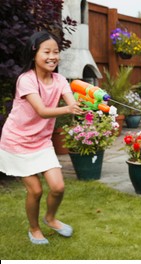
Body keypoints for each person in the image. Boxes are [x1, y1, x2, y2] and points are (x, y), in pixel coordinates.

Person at [0, 31, 84, 245]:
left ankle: (50, 218)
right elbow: (42, 111)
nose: (52, 56)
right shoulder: (26, 80)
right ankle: (34, 228)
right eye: (47, 52)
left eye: (56, 52)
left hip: (41, 142)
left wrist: (83, 104)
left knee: (58, 187)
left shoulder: (60, 80)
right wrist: (68, 109)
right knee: (35, 190)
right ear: (34, 53)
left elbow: (71, 101)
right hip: (16, 142)